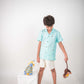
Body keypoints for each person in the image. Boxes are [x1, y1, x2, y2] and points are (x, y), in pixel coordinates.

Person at [37, 15, 68, 84]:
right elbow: (39, 44)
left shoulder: (56, 33)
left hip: (50, 56)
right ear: (45, 25)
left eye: (51, 26)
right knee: (41, 69)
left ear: (53, 24)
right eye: (47, 26)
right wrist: (37, 56)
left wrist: (65, 54)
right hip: (42, 55)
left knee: (52, 70)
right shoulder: (42, 32)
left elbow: (60, 44)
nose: (49, 28)